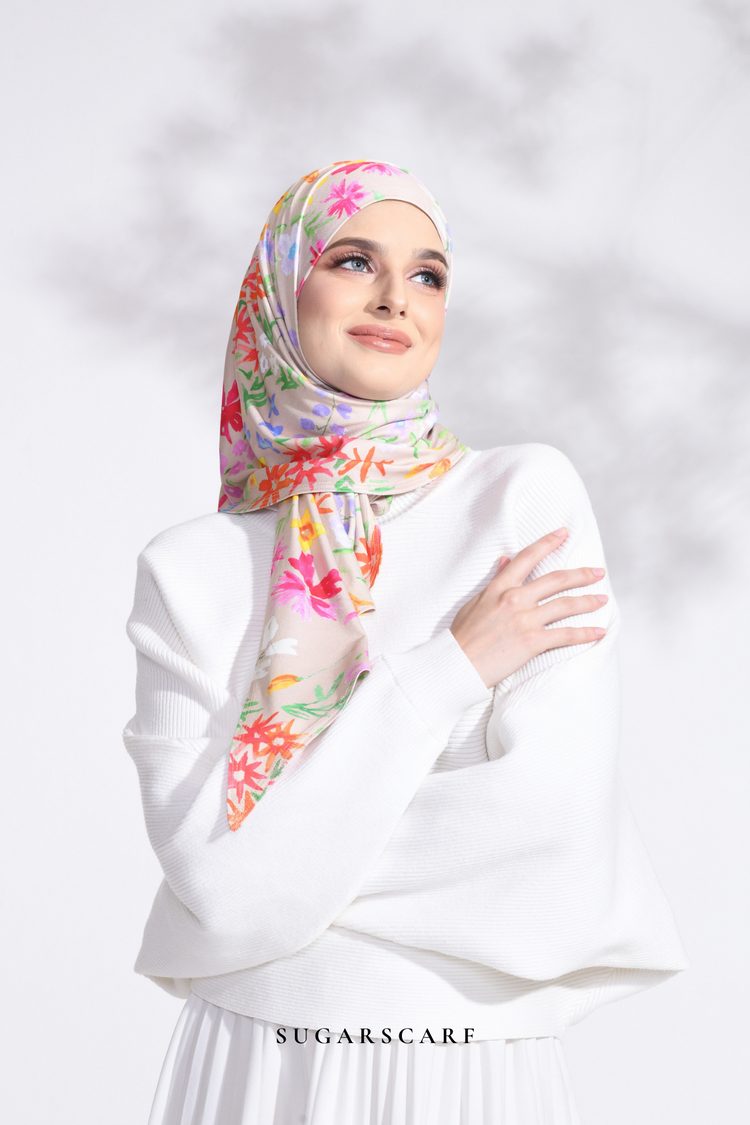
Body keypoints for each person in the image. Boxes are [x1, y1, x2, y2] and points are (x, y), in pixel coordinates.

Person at [125, 161, 688, 1125]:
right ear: (281, 284)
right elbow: (217, 886)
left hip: (463, 1061)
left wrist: (281, 867)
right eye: (354, 261)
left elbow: (549, 833)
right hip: (257, 1060)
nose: (395, 297)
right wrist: (446, 671)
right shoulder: (188, 568)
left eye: (428, 274)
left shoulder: (520, 502)